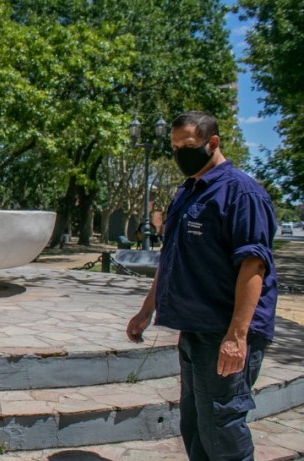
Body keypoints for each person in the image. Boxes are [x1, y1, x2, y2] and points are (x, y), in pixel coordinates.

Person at [126, 111, 277, 461]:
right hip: (194, 328)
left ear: (213, 143)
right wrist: (146, 310)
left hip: (225, 331)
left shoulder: (241, 193)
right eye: (175, 146)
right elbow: (171, 258)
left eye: (189, 146)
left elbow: (253, 266)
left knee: (222, 425)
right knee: (195, 424)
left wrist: (237, 336)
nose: (180, 153)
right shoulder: (188, 192)